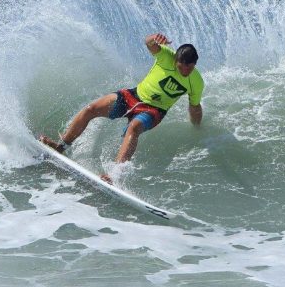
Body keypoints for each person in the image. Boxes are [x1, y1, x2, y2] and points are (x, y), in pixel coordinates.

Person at [40, 33, 204, 181]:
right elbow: (148, 43)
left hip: (154, 110)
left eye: (187, 68)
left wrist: (197, 127)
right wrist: (154, 38)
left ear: (194, 64)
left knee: (134, 128)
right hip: (133, 96)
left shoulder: (196, 82)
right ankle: (61, 147)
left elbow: (194, 107)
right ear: (175, 59)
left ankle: (113, 175)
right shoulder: (166, 56)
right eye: (180, 66)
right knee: (91, 108)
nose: (183, 70)